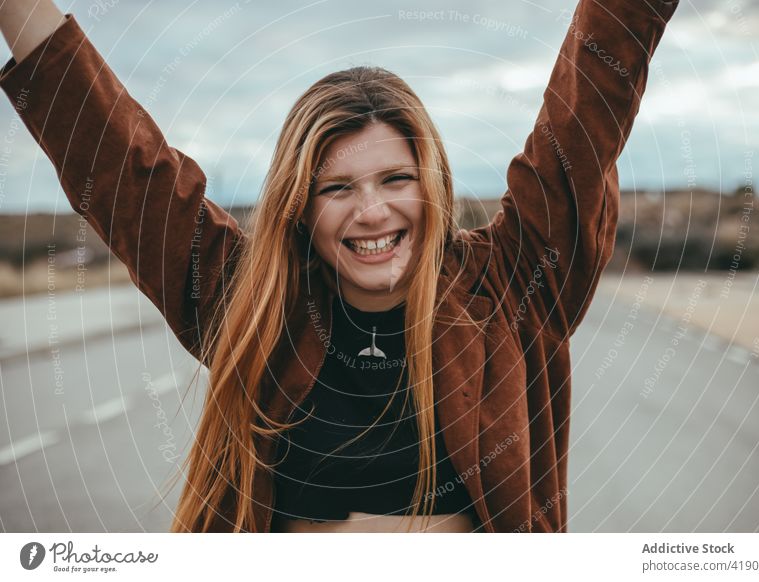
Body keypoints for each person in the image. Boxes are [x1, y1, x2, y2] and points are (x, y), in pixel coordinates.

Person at [0, 0, 680, 533]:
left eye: (395, 179)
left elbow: (585, 114)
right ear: (302, 206)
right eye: (337, 188)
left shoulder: (511, 287)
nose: (372, 212)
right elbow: (121, 167)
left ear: (432, 184)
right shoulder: (256, 302)